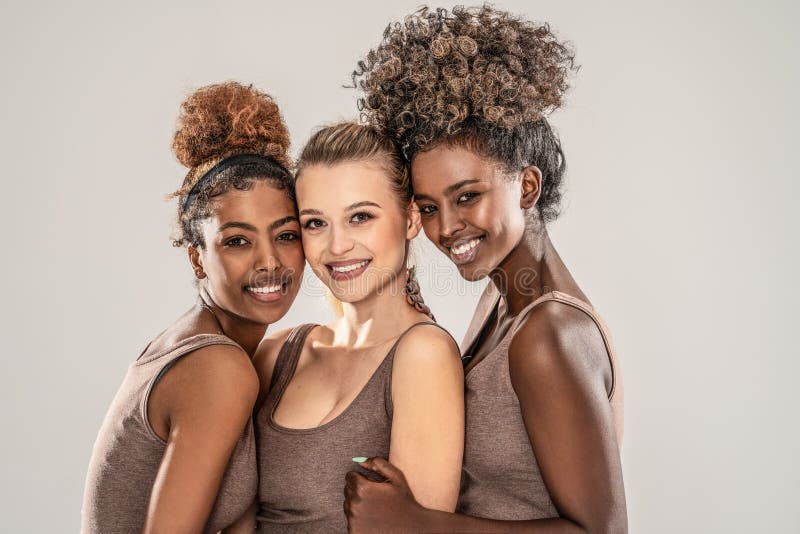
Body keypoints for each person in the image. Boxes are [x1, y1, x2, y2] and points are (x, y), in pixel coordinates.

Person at [344, 6, 628, 532]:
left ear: (526, 186)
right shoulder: (503, 303)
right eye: (428, 207)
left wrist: (415, 523)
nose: (446, 227)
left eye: (467, 196)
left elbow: (602, 532)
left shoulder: (550, 334)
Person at [81, 81, 305, 534]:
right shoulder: (217, 368)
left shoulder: (201, 344)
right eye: (238, 241)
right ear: (196, 256)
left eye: (286, 235)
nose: (270, 262)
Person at [250, 122, 464, 533]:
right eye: (315, 223)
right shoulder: (277, 354)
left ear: (411, 219)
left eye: (360, 217)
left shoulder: (423, 355)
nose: (337, 246)